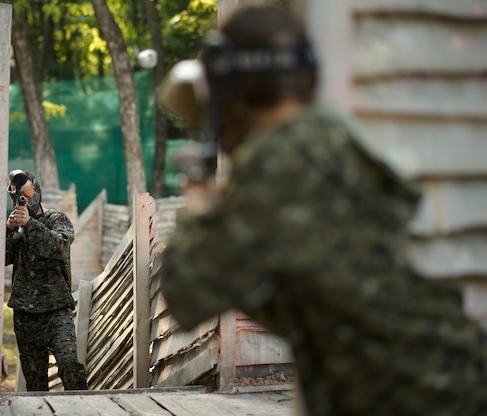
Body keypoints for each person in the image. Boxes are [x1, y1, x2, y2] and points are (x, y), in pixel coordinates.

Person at [158, 4, 487, 415]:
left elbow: (188, 290)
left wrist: (198, 190)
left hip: (410, 396)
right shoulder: (328, 134)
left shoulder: (276, 161)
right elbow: (310, 287)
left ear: (230, 83)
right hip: (451, 376)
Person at [5, 169, 87, 391]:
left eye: (30, 191)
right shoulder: (14, 226)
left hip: (56, 311)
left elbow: (58, 248)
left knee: (70, 366)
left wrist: (30, 224)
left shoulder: (56, 219)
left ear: (37, 190)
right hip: (25, 315)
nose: (27, 197)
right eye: (21, 194)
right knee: (35, 382)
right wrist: (8, 231)